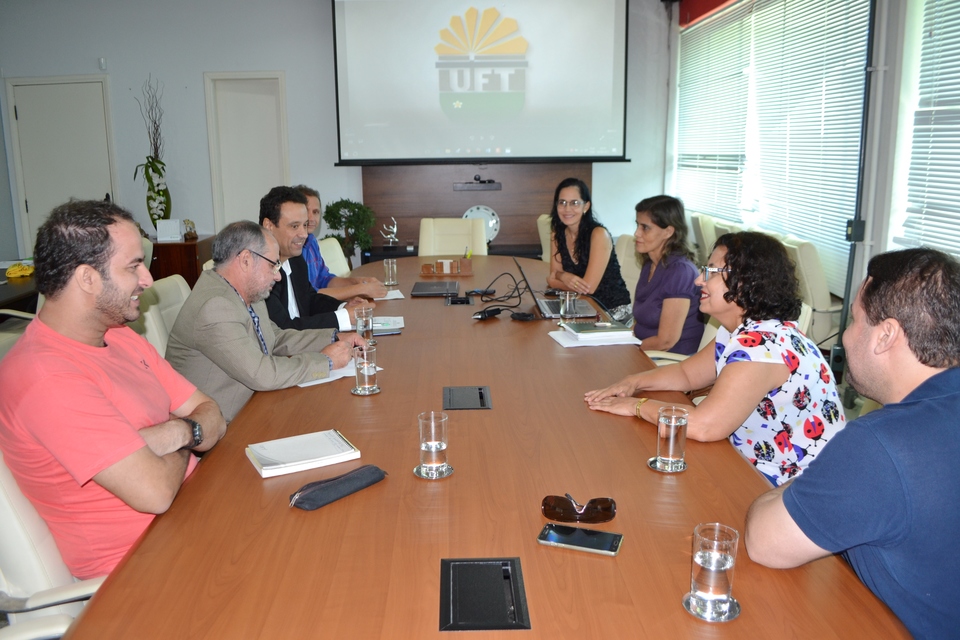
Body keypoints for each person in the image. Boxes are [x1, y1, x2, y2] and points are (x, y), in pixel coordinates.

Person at [0, 200, 226, 579]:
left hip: (196, 521)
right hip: (142, 572)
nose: (147, 279)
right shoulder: (46, 377)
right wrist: (187, 431)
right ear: (88, 278)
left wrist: (173, 432)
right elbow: (155, 493)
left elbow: (211, 412)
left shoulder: (120, 336)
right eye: (133, 266)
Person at [745, 248, 960, 638]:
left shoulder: (882, 444)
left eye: (855, 320)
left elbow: (764, 541)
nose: (845, 336)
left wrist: (812, 477)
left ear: (886, 336)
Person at [585, 231, 845, 486]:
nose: (699, 280)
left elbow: (704, 426)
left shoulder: (762, 347)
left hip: (795, 486)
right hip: (754, 464)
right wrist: (633, 382)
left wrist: (636, 405)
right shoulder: (742, 331)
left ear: (744, 281)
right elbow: (687, 374)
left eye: (710, 272)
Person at [165, 221, 365, 421]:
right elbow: (262, 374)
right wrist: (326, 361)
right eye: (273, 265)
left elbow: (275, 338)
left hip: (255, 407)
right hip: (222, 427)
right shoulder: (215, 306)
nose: (278, 276)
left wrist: (333, 337)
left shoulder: (248, 293)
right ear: (245, 260)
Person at [260, 186, 372, 331]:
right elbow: (285, 330)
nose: (304, 234)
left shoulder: (296, 260)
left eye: (305, 225)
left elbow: (310, 299)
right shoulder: (261, 271)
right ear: (269, 226)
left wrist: (344, 307)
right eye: (294, 226)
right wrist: (343, 317)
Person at [546, 178, 632, 322]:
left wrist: (557, 280)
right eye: (562, 203)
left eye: (574, 203)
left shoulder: (598, 234)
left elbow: (588, 289)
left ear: (586, 206)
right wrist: (563, 276)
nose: (567, 209)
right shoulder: (557, 233)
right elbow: (553, 276)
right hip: (583, 306)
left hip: (612, 311)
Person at [630, 195, 703, 354]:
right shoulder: (650, 263)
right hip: (646, 352)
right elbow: (641, 322)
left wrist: (628, 351)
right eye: (637, 225)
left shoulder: (680, 272)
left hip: (671, 360)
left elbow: (666, 341)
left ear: (668, 232)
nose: (637, 233)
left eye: (645, 227)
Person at [294, 184, 386, 300]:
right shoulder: (292, 249)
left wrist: (358, 282)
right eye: (307, 211)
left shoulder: (311, 241)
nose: (312, 218)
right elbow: (309, 296)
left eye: (316, 212)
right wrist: (360, 289)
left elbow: (325, 280)